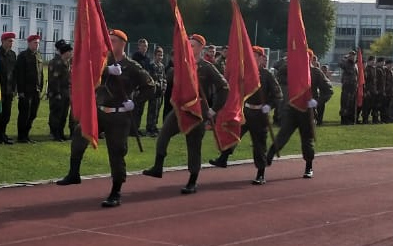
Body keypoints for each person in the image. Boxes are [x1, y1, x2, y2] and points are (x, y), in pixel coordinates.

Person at [56, 29, 155, 207]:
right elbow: (88, 74)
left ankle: (116, 191)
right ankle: (74, 173)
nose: (110, 44)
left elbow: (151, 86)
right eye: (108, 40)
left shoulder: (132, 66)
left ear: (123, 44)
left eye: (114, 41)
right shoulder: (103, 63)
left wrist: (135, 101)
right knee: (79, 135)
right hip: (100, 111)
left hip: (119, 116)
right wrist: (106, 70)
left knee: (116, 153)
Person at [142, 34, 228, 194]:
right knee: (164, 134)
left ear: (201, 48)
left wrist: (214, 109)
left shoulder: (207, 67)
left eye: (193, 45)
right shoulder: (183, 65)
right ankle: (158, 166)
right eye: (188, 45)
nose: (190, 48)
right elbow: (171, 79)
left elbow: (224, 87)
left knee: (193, 146)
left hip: (198, 112)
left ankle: (192, 181)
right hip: (180, 110)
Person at [208, 46, 283, 185]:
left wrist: (269, 106)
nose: (251, 58)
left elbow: (278, 95)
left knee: (259, 145)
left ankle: (261, 174)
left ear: (261, 58)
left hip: (260, 114)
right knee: (234, 133)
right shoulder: (245, 73)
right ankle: (223, 158)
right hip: (245, 112)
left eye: (254, 56)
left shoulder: (267, 75)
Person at [266, 55, 333, 178]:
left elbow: (328, 90)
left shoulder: (315, 72)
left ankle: (309, 167)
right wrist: (288, 61)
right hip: (292, 108)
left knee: (307, 141)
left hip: (307, 111)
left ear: (310, 59)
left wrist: (317, 101)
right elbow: (280, 76)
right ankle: (269, 155)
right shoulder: (291, 70)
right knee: (283, 134)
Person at [14, 34, 44, 143]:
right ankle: (21, 136)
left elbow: (41, 74)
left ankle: (26, 135)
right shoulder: (23, 56)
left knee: (33, 114)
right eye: (35, 43)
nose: (37, 45)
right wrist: (20, 91)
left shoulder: (39, 55)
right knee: (24, 114)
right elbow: (20, 74)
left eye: (38, 43)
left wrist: (40, 87)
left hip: (36, 90)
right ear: (29, 43)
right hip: (26, 90)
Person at [0, 32, 17, 144]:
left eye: (12, 41)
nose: (11, 43)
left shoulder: (12, 55)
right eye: (9, 41)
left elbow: (14, 73)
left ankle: (2, 134)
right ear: (3, 41)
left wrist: (15, 88)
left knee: (6, 115)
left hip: (9, 90)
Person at [47, 39, 73, 141]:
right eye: (70, 52)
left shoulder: (65, 63)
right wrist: (57, 93)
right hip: (58, 93)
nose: (71, 53)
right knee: (56, 114)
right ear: (65, 52)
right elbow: (54, 79)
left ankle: (60, 133)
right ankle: (55, 133)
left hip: (65, 92)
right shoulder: (57, 63)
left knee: (63, 114)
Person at [144, 46, 167, 137]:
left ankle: (154, 126)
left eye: (161, 55)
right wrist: (155, 85)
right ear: (155, 55)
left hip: (160, 92)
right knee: (152, 110)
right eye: (158, 55)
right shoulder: (151, 65)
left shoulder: (162, 66)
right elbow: (149, 78)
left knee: (158, 109)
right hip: (153, 91)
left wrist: (164, 86)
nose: (160, 57)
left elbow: (164, 78)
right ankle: (149, 128)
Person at [338, 50, 359, 125]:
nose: (353, 56)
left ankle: (350, 119)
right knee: (345, 103)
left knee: (351, 104)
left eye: (354, 55)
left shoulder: (355, 65)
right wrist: (345, 57)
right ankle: (344, 120)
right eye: (351, 55)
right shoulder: (346, 63)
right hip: (347, 87)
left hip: (353, 87)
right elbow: (340, 63)